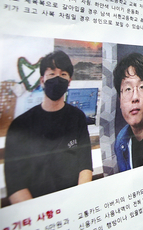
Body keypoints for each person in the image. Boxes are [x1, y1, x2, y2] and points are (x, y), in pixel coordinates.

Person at [4, 51, 93, 203]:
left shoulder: (77, 117)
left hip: (72, 204)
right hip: (38, 212)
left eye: (63, 74)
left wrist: (78, 202)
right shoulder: (20, 125)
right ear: (42, 80)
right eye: (51, 74)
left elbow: (85, 165)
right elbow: (15, 183)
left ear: (69, 81)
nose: (57, 79)